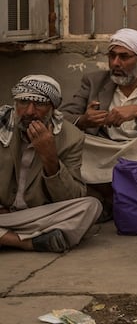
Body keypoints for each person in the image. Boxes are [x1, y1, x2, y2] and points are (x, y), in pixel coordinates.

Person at [61, 28, 137, 192]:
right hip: (103, 150)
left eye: (124, 57)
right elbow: (61, 117)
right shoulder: (94, 81)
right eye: (112, 56)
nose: (116, 63)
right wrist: (84, 120)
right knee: (64, 135)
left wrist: (136, 110)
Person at [1, 75, 102, 253]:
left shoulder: (72, 137)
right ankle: (28, 242)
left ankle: (6, 238)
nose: (29, 111)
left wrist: (50, 157)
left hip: (37, 214)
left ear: (53, 108)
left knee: (91, 206)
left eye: (39, 104)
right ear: (15, 104)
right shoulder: (2, 126)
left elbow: (72, 197)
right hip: (3, 214)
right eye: (23, 102)